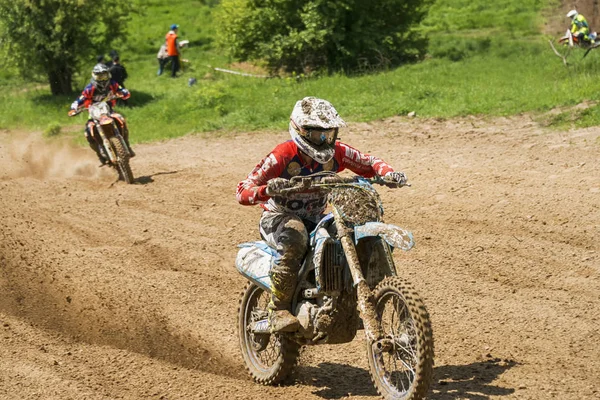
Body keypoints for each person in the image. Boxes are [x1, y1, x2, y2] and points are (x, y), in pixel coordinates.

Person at [236, 97, 407, 332]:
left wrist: (388, 173)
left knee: (350, 232)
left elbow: (369, 162)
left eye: (329, 134)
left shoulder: (337, 152)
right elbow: (243, 190)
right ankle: (278, 309)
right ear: (301, 131)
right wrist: (266, 190)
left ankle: (346, 299)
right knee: (295, 237)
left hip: (317, 217)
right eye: (318, 135)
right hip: (278, 217)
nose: (325, 140)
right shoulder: (282, 155)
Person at [68, 64, 135, 165]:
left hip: (108, 111)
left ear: (108, 75)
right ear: (94, 76)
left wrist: (124, 93)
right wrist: (74, 108)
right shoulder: (90, 88)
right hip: (94, 114)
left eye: (104, 75)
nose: (103, 79)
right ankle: (100, 153)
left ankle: (127, 145)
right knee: (88, 132)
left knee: (121, 119)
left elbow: (121, 90)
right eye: (100, 76)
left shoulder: (112, 84)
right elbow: (81, 98)